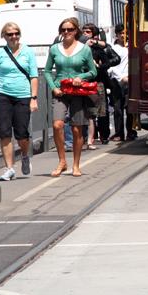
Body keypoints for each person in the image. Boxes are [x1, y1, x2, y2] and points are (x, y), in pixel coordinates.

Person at [0, 22, 38, 181]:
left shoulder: (28, 51)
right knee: (4, 132)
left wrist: (33, 98)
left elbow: (33, 76)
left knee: (22, 134)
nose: (13, 36)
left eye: (16, 33)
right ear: (4, 36)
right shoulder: (0, 54)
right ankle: (9, 168)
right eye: (10, 34)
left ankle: (24, 155)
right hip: (3, 96)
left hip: (23, 95)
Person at [44, 17, 97, 177]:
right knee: (58, 125)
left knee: (76, 129)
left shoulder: (84, 49)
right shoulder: (54, 49)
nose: (66, 32)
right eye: (63, 30)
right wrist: (53, 87)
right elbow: (47, 71)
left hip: (77, 92)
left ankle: (76, 165)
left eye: (70, 29)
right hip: (60, 91)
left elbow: (93, 71)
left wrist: (81, 77)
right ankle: (62, 161)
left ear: (76, 31)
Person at [81, 23, 120, 148]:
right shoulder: (80, 47)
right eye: (84, 31)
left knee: (101, 111)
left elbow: (114, 60)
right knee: (86, 111)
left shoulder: (100, 48)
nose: (85, 34)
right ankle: (90, 137)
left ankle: (104, 135)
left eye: (88, 32)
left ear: (94, 34)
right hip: (83, 82)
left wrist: (100, 66)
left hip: (98, 82)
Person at [109, 26, 134, 141]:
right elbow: (111, 66)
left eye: (126, 33)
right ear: (117, 35)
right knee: (118, 108)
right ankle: (119, 133)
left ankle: (130, 131)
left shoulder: (132, 46)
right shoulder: (112, 48)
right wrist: (121, 77)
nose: (124, 35)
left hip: (130, 80)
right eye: (122, 33)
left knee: (130, 109)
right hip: (116, 81)